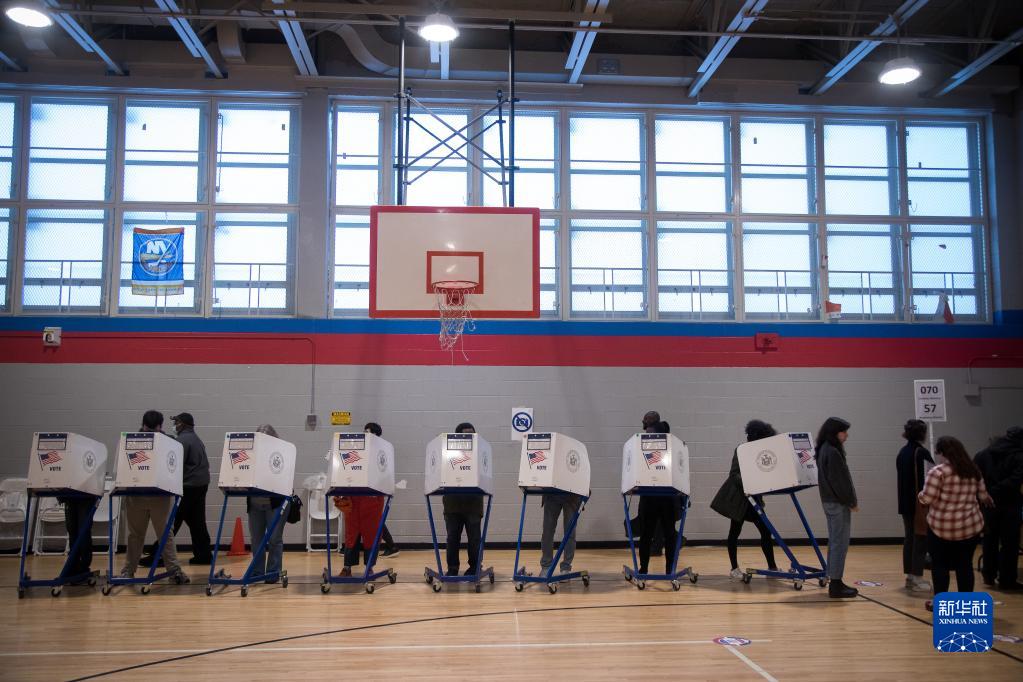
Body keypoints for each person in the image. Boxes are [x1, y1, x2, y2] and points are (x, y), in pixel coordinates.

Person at [919, 436, 993, 610]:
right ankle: (965, 604)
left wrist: (920, 495)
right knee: (965, 565)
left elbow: (927, 498)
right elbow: (983, 496)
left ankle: (940, 603)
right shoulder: (973, 470)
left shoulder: (937, 472)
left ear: (942, 453)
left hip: (941, 527)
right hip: (969, 527)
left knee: (940, 566)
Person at [119, 410, 187, 582]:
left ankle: (171, 570)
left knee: (153, 534)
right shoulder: (161, 441)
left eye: (152, 429)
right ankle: (131, 570)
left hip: (147, 495)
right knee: (149, 535)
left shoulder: (137, 442)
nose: (149, 432)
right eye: (148, 429)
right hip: (146, 496)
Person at [140, 412, 212, 567]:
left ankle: (158, 556)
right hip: (200, 485)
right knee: (197, 522)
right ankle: (204, 555)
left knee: (173, 521)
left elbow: (173, 464)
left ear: (183, 424)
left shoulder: (182, 441)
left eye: (176, 422)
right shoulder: (195, 438)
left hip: (188, 487)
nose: (174, 425)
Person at [711, 419, 779, 580]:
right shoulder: (741, 450)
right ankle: (734, 568)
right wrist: (750, 484)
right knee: (735, 532)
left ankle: (772, 568)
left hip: (754, 499)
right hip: (739, 500)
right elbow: (734, 474)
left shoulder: (761, 452)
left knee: (766, 531)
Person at [973, 426, 1023, 590]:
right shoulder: (1019, 456)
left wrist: (985, 494)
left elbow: (974, 477)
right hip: (1010, 504)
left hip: (988, 504)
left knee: (989, 540)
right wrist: (996, 491)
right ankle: (1007, 579)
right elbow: (1016, 480)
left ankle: (988, 575)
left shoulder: (982, 454)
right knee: (1010, 543)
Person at [816, 416, 858, 598]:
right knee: (840, 543)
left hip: (829, 501)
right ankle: (836, 583)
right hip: (837, 502)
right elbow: (840, 482)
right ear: (835, 432)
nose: (846, 435)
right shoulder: (832, 451)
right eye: (844, 431)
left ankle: (834, 579)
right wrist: (851, 501)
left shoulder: (824, 449)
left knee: (835, 542)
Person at [895, 419, 934, 593]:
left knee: (910, 538)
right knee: (920, 539)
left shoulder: (902, 452)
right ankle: (917, 577)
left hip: (905, 503)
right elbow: (930, 478)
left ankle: (910, 577)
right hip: (919, 503)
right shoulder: (921, 453)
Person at [637, 420, 679, 575]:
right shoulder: (645, 450)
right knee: (648, 535)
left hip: (664, 498)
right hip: (652, 497)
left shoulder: (671, 449)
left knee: (667, 535)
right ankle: (646, 568)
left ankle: (668, 569)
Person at [443, 422, 484, 576]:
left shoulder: (480, 453)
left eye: (472, 435)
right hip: (452, 503)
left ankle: (475, 567)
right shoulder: (447, 454)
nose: (469, 437)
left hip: (473, 503)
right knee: (452, 538)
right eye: (465, 434)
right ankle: (452, 568)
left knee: (474, 539)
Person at [247, 424, 287, 583]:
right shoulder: (251, 455)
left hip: (275, 502)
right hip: (255, 502)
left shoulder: (281, 454)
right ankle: (257, 572)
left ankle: (273, 572)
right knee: (256, 539)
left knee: (274, 539)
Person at [365, 422, 399, 557]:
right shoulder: (369, 448)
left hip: (375, 489)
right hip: (367, 489)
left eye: (368, 432)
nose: (366, 435)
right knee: (372, 519)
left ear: (375, 434)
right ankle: (391, 546)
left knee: (376, 520)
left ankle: (391, 546)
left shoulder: (380, 450)